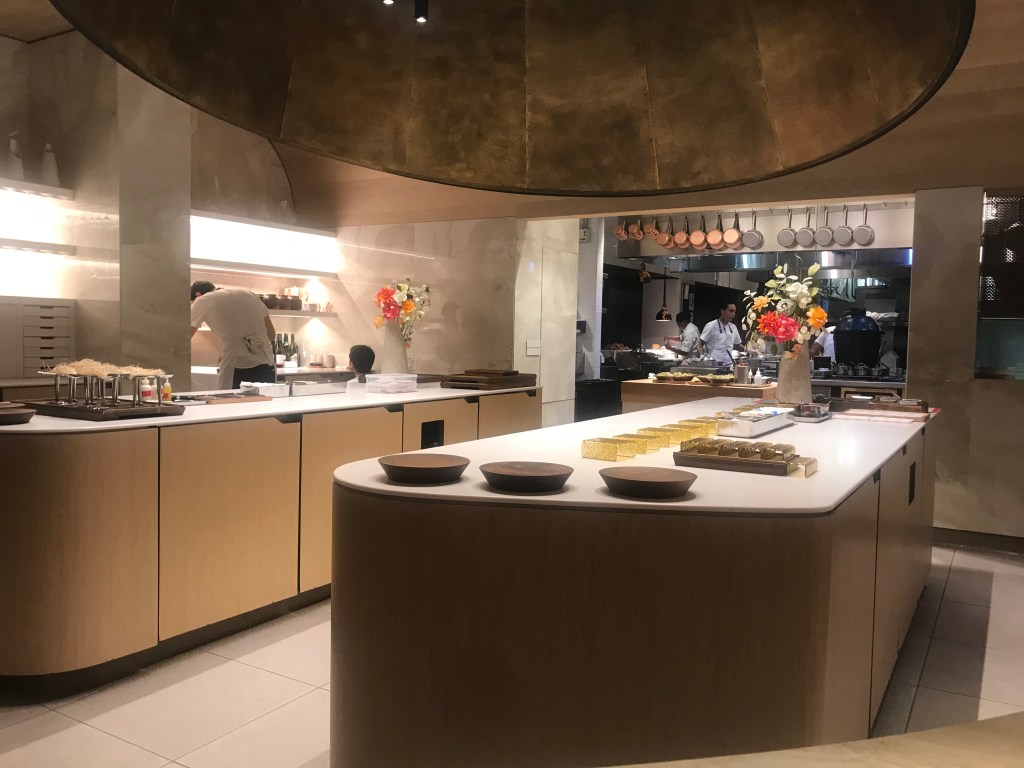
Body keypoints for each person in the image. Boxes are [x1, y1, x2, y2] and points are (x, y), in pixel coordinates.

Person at [189, 281, 276, 389]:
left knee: (230, 400)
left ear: (197, 295)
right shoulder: (249, 294)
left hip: (237, 368)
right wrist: (249, 346)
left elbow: (185, 338)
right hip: (266, 366)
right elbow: (271, 334)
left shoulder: (202, 300)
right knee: (266, 400)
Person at [699, 301, 744, 365]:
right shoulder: (711, 325)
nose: (733, 314)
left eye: (734, 312)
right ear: (722, 311)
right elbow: (700, 344)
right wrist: (702, 356)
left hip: (729, 364)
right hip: (713, 364)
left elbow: (738, 345)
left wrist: (748, 350)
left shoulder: (733, 327)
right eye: (731, 311)